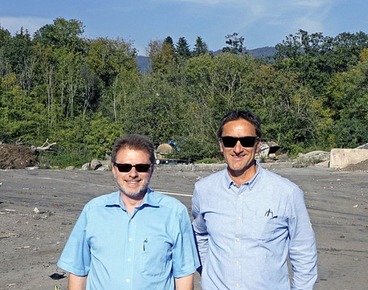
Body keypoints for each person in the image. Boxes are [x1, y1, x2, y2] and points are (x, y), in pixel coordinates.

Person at [192, 110, 318, 289]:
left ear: (258, 145)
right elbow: (199, 234)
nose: (237, 149)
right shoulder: (204, 190)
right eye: (229, 141)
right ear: (220, 145)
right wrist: (209, 272)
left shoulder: (287, 193)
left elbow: (304, 251)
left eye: (246, 141)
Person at [57, 134, 200, 290]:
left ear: (152, 169)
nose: (133, 174)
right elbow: (78, 271)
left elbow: (183, 275)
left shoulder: (174, 213)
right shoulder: (93, 211)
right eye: (125, 167)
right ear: (114, 169)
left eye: (141, 167)